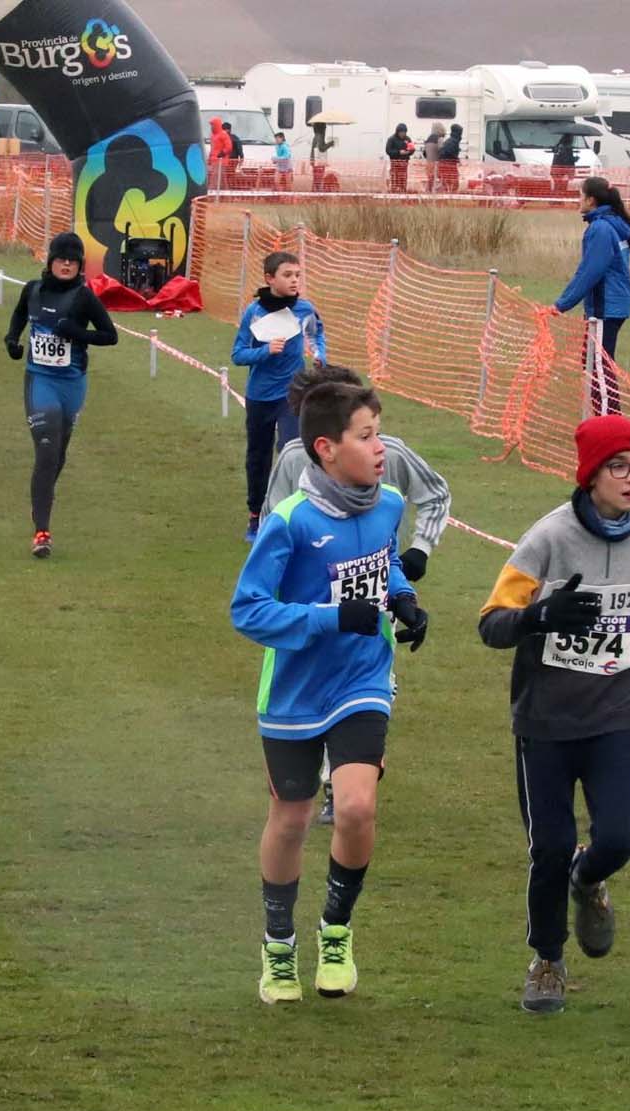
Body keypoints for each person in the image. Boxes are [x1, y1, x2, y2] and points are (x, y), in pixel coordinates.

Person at [477, 413, 630, 1014]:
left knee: (620, 837)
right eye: (619, 467)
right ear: (590, 475)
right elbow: (491, 624)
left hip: (618, 714)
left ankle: (589, 877)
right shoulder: (547, 538)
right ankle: (547, 960)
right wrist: (538, 617)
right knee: (549, 846)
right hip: (544, 723)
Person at [230, 381, 429, 1005]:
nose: (381, 448)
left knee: (355, 808)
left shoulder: (389, 502)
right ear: (325, 448)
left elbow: (382, 559)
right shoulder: (290, 521)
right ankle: (279, 946)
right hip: (293, 689)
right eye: (367, 437)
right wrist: (327, 617)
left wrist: (403, 597)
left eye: (379, 433)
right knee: (290, 818)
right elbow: (248, 611)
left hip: (363, 677)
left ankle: (337, 932)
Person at [263, 362, 452, 825]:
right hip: (309, 617)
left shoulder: (393, 455)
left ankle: (343, 784)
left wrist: (416, 554)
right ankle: (315, 778)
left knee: (367, 693)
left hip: (372, 620)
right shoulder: (291, 459)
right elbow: (274, 523)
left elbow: (436, 495)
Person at [3, 232, 119, 558]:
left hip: (72, 384)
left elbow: (110, 336)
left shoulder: (84, 297)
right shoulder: (33, 290)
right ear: (50, 261)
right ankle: (42, 531)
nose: (66, 264)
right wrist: (12, 340)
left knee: (58, 452)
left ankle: (41, 500)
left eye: (72, 260)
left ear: (80, 265)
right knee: (45, 449)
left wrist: (77, 333)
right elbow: (18, 315)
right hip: (40, 380)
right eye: (61, 258)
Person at [232, 250, 326, 541]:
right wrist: (265, 351)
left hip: (294, 394)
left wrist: (319, 354)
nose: (295, 280)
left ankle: (292, 515)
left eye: (297, 275)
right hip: (260, 396)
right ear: (270, 279)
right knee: (258, 455)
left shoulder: (305, 309)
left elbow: (316, 334)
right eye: (288, 275)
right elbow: (238, 355)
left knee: (291, 450)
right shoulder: (255, 312)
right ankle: (255, 515)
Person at [551, 175, 630, 413]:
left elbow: (590, 271)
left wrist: (561, 304)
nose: (578, 200)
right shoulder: (611, 223)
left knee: (598, 365)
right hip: (612, 305)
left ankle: (609, 420)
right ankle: (605, 417)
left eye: (580, 195)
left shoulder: (600, 228)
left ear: (591, 200)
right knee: (595, 362)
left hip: (605, 307)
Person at [385, 123, 413, 194]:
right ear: (397, 131)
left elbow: (412, 149)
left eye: (404, 132)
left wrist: (408, 152)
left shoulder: (408, 139)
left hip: (404, 163)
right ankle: (394, 192)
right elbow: (388, 151)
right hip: (395, 163)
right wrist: (399, 152)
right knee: (394, 178)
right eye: (401, 132)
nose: (403, 134)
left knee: (403, 178)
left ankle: (403, 191)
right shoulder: (391, 139)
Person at [437, 123, 464, 193]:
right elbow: (448, 152)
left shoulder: (450, 140)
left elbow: (444, 152)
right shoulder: (453, 141)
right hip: (448, 167)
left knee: (447, 184)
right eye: (461, 132)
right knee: (453, 184)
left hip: (445, 166)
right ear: (458, 132)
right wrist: (456, 158)